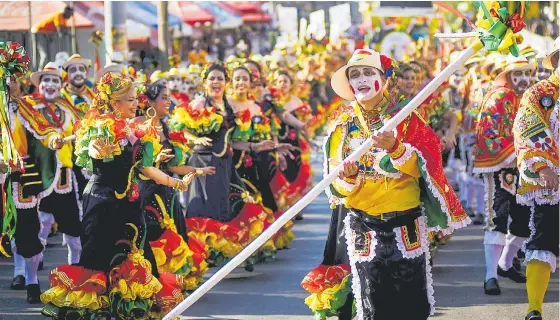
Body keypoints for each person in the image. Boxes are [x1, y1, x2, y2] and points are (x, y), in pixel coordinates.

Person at [320, 48, 469, 319]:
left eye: (368, 72)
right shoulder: (342, 125)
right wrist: (348, 178)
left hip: (406, 221)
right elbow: (334, 187)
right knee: (373, 303)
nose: (362, 79)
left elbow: (427, 165)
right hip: (363, 223)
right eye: (355, 75)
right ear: (349, 83)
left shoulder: (405, 117)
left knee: (412, 305)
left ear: (384, 78)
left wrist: (396, 149)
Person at [41, 73, 194, 319]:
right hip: (101, 203)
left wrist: (176, 182)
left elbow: (145, 168)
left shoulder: (140, 131)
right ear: (114, 102)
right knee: (97, 257)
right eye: (130, 100)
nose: (136, 104)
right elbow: (90, 149)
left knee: (135, 254)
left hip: (130, 205)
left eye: (136, 99)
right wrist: (97, 150)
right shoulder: (97, 126)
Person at [473, 56, 535, 295]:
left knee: (523, 218)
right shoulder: (500, 96)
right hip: (500, 167)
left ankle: (506, 264)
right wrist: (516, 153)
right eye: (517, 73)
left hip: (522, 167)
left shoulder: (527, 97)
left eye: (527, 73)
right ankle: (490, 276)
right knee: (498, 218)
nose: (523, 78)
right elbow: (488, 133)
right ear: (507, 75)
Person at [513, 37, 559, 320]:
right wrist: (543, 166)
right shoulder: (540, 93)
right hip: (553, 181)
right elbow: (527, 126)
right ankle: (534, 309)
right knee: (543, 241)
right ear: (555, 60)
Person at [22, 62, 84, 270]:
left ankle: (73, 275)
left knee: (74, 233)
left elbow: (81, 134)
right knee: (41, 225)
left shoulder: (68, 108)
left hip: (65, 176)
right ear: (38, 85)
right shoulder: (26, 107)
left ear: (61, 85)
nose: (50, 84)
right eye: (45, 80)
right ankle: (27, 276)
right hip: (36, 174)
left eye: (55, 81)